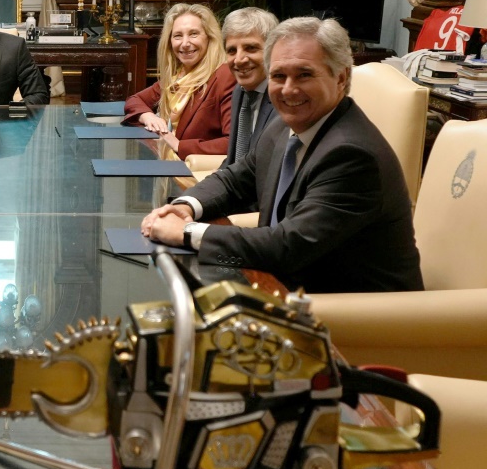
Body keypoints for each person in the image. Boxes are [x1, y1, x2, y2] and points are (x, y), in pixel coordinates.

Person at [141, 17, 422, 294]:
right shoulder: (284, 125)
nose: (288, 89)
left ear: (341, 77)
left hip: (352, 309)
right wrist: (185, 207)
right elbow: (235, 180)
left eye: (304, 75)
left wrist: (186, 232)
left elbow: (289, 246)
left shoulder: (352, 155)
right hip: (282, 283)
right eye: (278, 76)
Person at [123, 3, 235, 159]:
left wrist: (179, 145)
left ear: (209, 37)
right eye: (178, 36)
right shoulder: (178, 76)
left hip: (195, 170)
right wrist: (148, 116)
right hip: (167, 163)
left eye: (193, 34)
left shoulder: (225, 75)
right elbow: (135, 100)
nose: (185, 43)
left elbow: (232, 143)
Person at [223, 7, 279, 167]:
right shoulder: (239, 91)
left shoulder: (283, 97)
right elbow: (233, 162)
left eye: (250, 48)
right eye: (232, 50)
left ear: (272, 49)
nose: (238, 59)